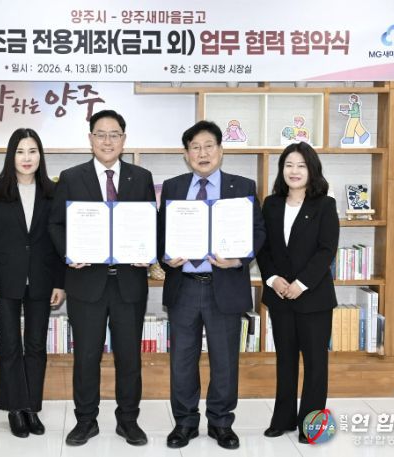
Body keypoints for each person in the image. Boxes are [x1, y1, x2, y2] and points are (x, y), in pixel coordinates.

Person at [49, 110, 156, 446]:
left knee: (129, 357)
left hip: (129, 283)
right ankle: (85, 421)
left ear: (124, 139)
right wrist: (71, 252)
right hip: (86, 282)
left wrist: (148, 251)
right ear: (90, 139)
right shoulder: (71, 177)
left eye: (114, 134)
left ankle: (128, 421)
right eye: (101, 134)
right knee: (86, 357)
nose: (107, 141)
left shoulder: (141, 177)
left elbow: (150, 223)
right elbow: (55, 224)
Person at [157, 120, 266, 450]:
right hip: (185, 285)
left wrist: (238, 260)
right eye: (195, 147)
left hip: (225, 284)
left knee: (225, 360)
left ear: (220, 150)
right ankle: (185, 422)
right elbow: (160, 232)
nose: (202, 153)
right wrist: (165, 257)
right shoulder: (173, 187)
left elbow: (258, 231)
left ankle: (221, 422)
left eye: (208, 146)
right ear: (186, 154)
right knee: (182, 360)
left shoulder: (242, 186)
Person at [0, 128, 66, 438]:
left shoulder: (52, 191)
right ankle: (15, 409)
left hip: (42, 280)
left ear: (41, 155)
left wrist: (60, 283)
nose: (27, 158)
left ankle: (31, 408)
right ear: (11, 155)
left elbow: (59, 240)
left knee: (36, 346)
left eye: (32, 151)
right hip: (5, 281)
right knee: (11, 345)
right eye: (20, 151)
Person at [256, 141, 339, 444]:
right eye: (289, 165)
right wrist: (273, 279)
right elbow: (263, 248)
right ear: (282, 170)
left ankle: (310, 425)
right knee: (285, 360)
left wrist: (301, 284)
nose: (294, 171)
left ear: (312, 170)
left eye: (301, 166)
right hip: (280, 296)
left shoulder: (324, 205)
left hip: (313, 298)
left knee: (315, 364)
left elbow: (326, 250)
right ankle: (282, 419)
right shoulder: (271, 204)